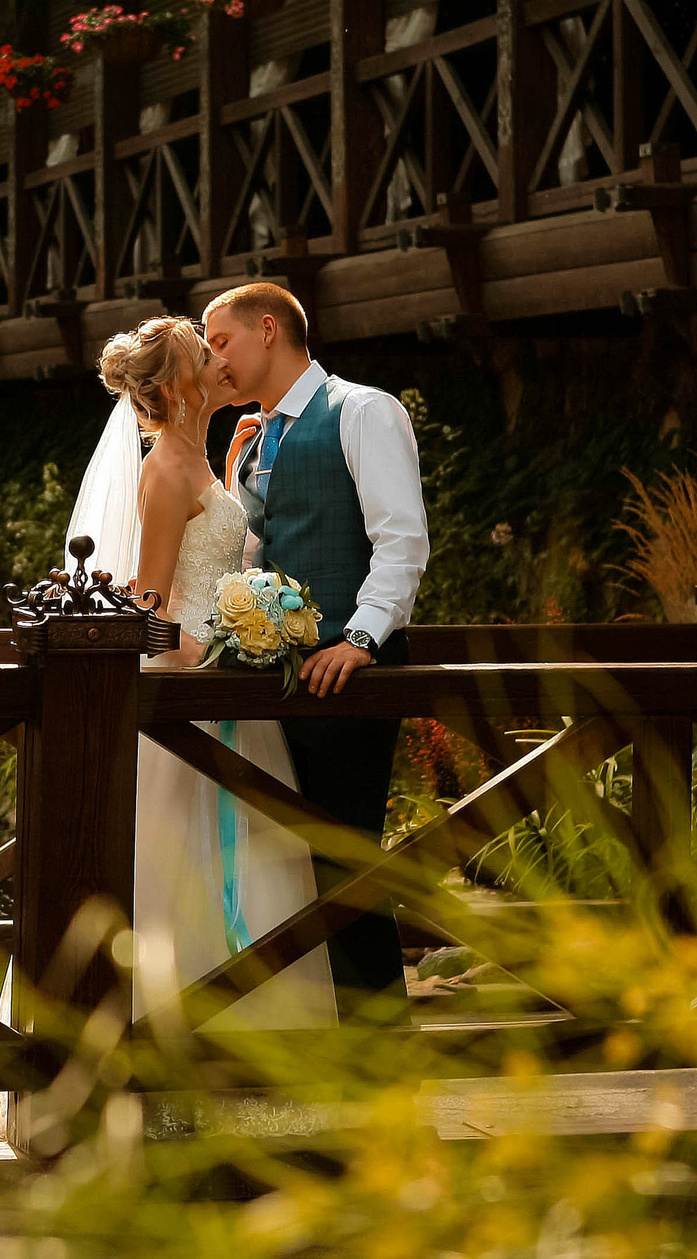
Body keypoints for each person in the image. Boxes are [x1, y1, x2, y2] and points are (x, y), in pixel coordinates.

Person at [71, 315, 336, 1029]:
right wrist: (211, 653)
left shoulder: (193, 455)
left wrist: (228, 480)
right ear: (175, 385)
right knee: (179, 870)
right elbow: (145, 606)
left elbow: (209, 553)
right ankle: (167, 1049)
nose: (220, 358)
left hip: (227, 697)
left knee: (251, 864)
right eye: (203, 352)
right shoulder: (161, 469)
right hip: (191, 699)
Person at [201, 282, 430, 1023]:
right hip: (271, 679)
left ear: (269, 329)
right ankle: (311, 1034)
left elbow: (402, 538)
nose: (213, 358)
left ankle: (377, 1048)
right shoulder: (255, 434)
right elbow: (255, 551)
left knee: (344, 855)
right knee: (281, 860)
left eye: (221, 341)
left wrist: (362, 638)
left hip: (346, 673)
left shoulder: (363, 410)